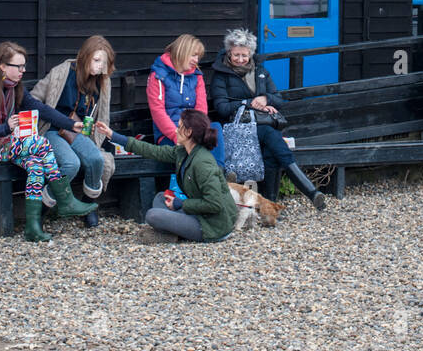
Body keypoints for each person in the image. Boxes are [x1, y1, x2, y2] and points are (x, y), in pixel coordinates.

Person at [0, 41, 99, 242]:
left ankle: (33, 227)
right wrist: (5, 127)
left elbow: (40, 108)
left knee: (36, 165)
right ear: (2, 66)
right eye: (18, 66)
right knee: (41, 143)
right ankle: (65, 199)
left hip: (10, 144)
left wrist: (71, 124)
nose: (23, 71)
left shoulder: (16, 88)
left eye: (24, 66)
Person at [209, 27, 326, 209]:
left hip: (260, 127)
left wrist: (266, 99)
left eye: (244, 55)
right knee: (273, 138)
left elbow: (278, 99)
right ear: (229, 52)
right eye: (236, 55)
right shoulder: (220, 75)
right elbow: (222, 108)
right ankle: (310, 192)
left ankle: (269, 205)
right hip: (237, 129)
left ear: (251, 54)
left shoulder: (260, 71)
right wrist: (250, 102)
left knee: (272, 152)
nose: (240, 59)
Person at [30, 35, 118, 228]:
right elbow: (33, 98)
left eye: (103, 63)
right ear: (85, 56)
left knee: (97, 160)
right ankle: (41, 209)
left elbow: (101, 114)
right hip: (53, 130)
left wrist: (98, 130)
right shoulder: (61, 72)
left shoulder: (102, 81)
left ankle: (87, 206)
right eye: (96, 60)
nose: (99, 67)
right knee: (71, 164)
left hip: (79, 132)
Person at [117, 109, 237, 243]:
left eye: (179, 127)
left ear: (189, 132)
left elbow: (214, 204)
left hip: (213, 226)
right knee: (161, 198)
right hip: (199, 213)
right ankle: (174, 232)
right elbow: (153, 151)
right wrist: (115, 137)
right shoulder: (183, 152)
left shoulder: (203, 163)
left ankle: (173, 234)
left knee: (152, 215)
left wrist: (182, 204)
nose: (175, 130)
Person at [147, 34, 224, 170]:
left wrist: (198, 132)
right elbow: (157, 112)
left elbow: (201, 109)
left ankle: (219, 174)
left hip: (193, 131)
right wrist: (177, 135)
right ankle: (197, 184)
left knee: (215, 128)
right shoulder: (158, 75)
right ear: (183, 51)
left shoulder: (196, 76)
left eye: (198, 57)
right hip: (169, 134)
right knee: (189, 153)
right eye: (193, 55)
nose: (196, 60)